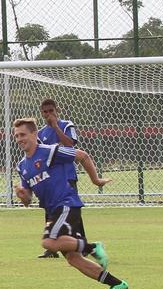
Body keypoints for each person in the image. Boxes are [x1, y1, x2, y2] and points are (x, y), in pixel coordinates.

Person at [12, 117, 129, 289]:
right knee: (73, 258)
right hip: (53, 210)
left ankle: (92, 247)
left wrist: (96, 180)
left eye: (23, 134)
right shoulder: (22, 166)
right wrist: (22, 196)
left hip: (66, 204)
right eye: (17, 135)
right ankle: (117, 284)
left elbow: (82, 155)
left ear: (34, 134)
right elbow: (28, 199)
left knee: (48, 242)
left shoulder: (49, 152)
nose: (19, 139)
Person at [36, 99, 110, 257]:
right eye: (45, 112)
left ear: (58, 110)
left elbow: (70, 144)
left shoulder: (66, 125)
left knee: (73, 211)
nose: (49, 114)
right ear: (41, 113)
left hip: (67, 176)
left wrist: (55, 127)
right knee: (50, 211)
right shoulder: (41, 134)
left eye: (51, 110)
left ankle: (83, 244)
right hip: (51, 179)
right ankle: (52, 247)